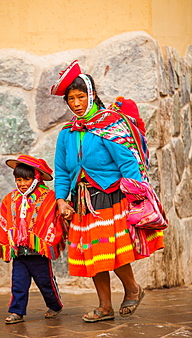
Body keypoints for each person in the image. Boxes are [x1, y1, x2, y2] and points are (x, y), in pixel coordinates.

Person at [50, 60, 165, 323]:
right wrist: (60, 199)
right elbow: (62, 170)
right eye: (71, 99)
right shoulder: (67, 134)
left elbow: (128, 163)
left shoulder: (108, 126)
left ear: (91, 96)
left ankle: (132, 288)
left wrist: (137, 198)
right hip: (81, 202)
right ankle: (105, 307)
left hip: (110, 198)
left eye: (81, 97)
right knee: (93, 256)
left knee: (108, 252)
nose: (76, 103)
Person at [0, 154, 66, 324]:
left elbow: (52, 219)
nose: (22, 184)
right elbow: (2, 221)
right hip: (19, 252)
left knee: (46, 283)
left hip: (39, 253)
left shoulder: (48, 197)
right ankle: (16, 312)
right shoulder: (10, 199)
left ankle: (55, 305)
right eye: (18, 180)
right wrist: (5, 244)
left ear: (36, 178)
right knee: (18, 284)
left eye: (26, 179)